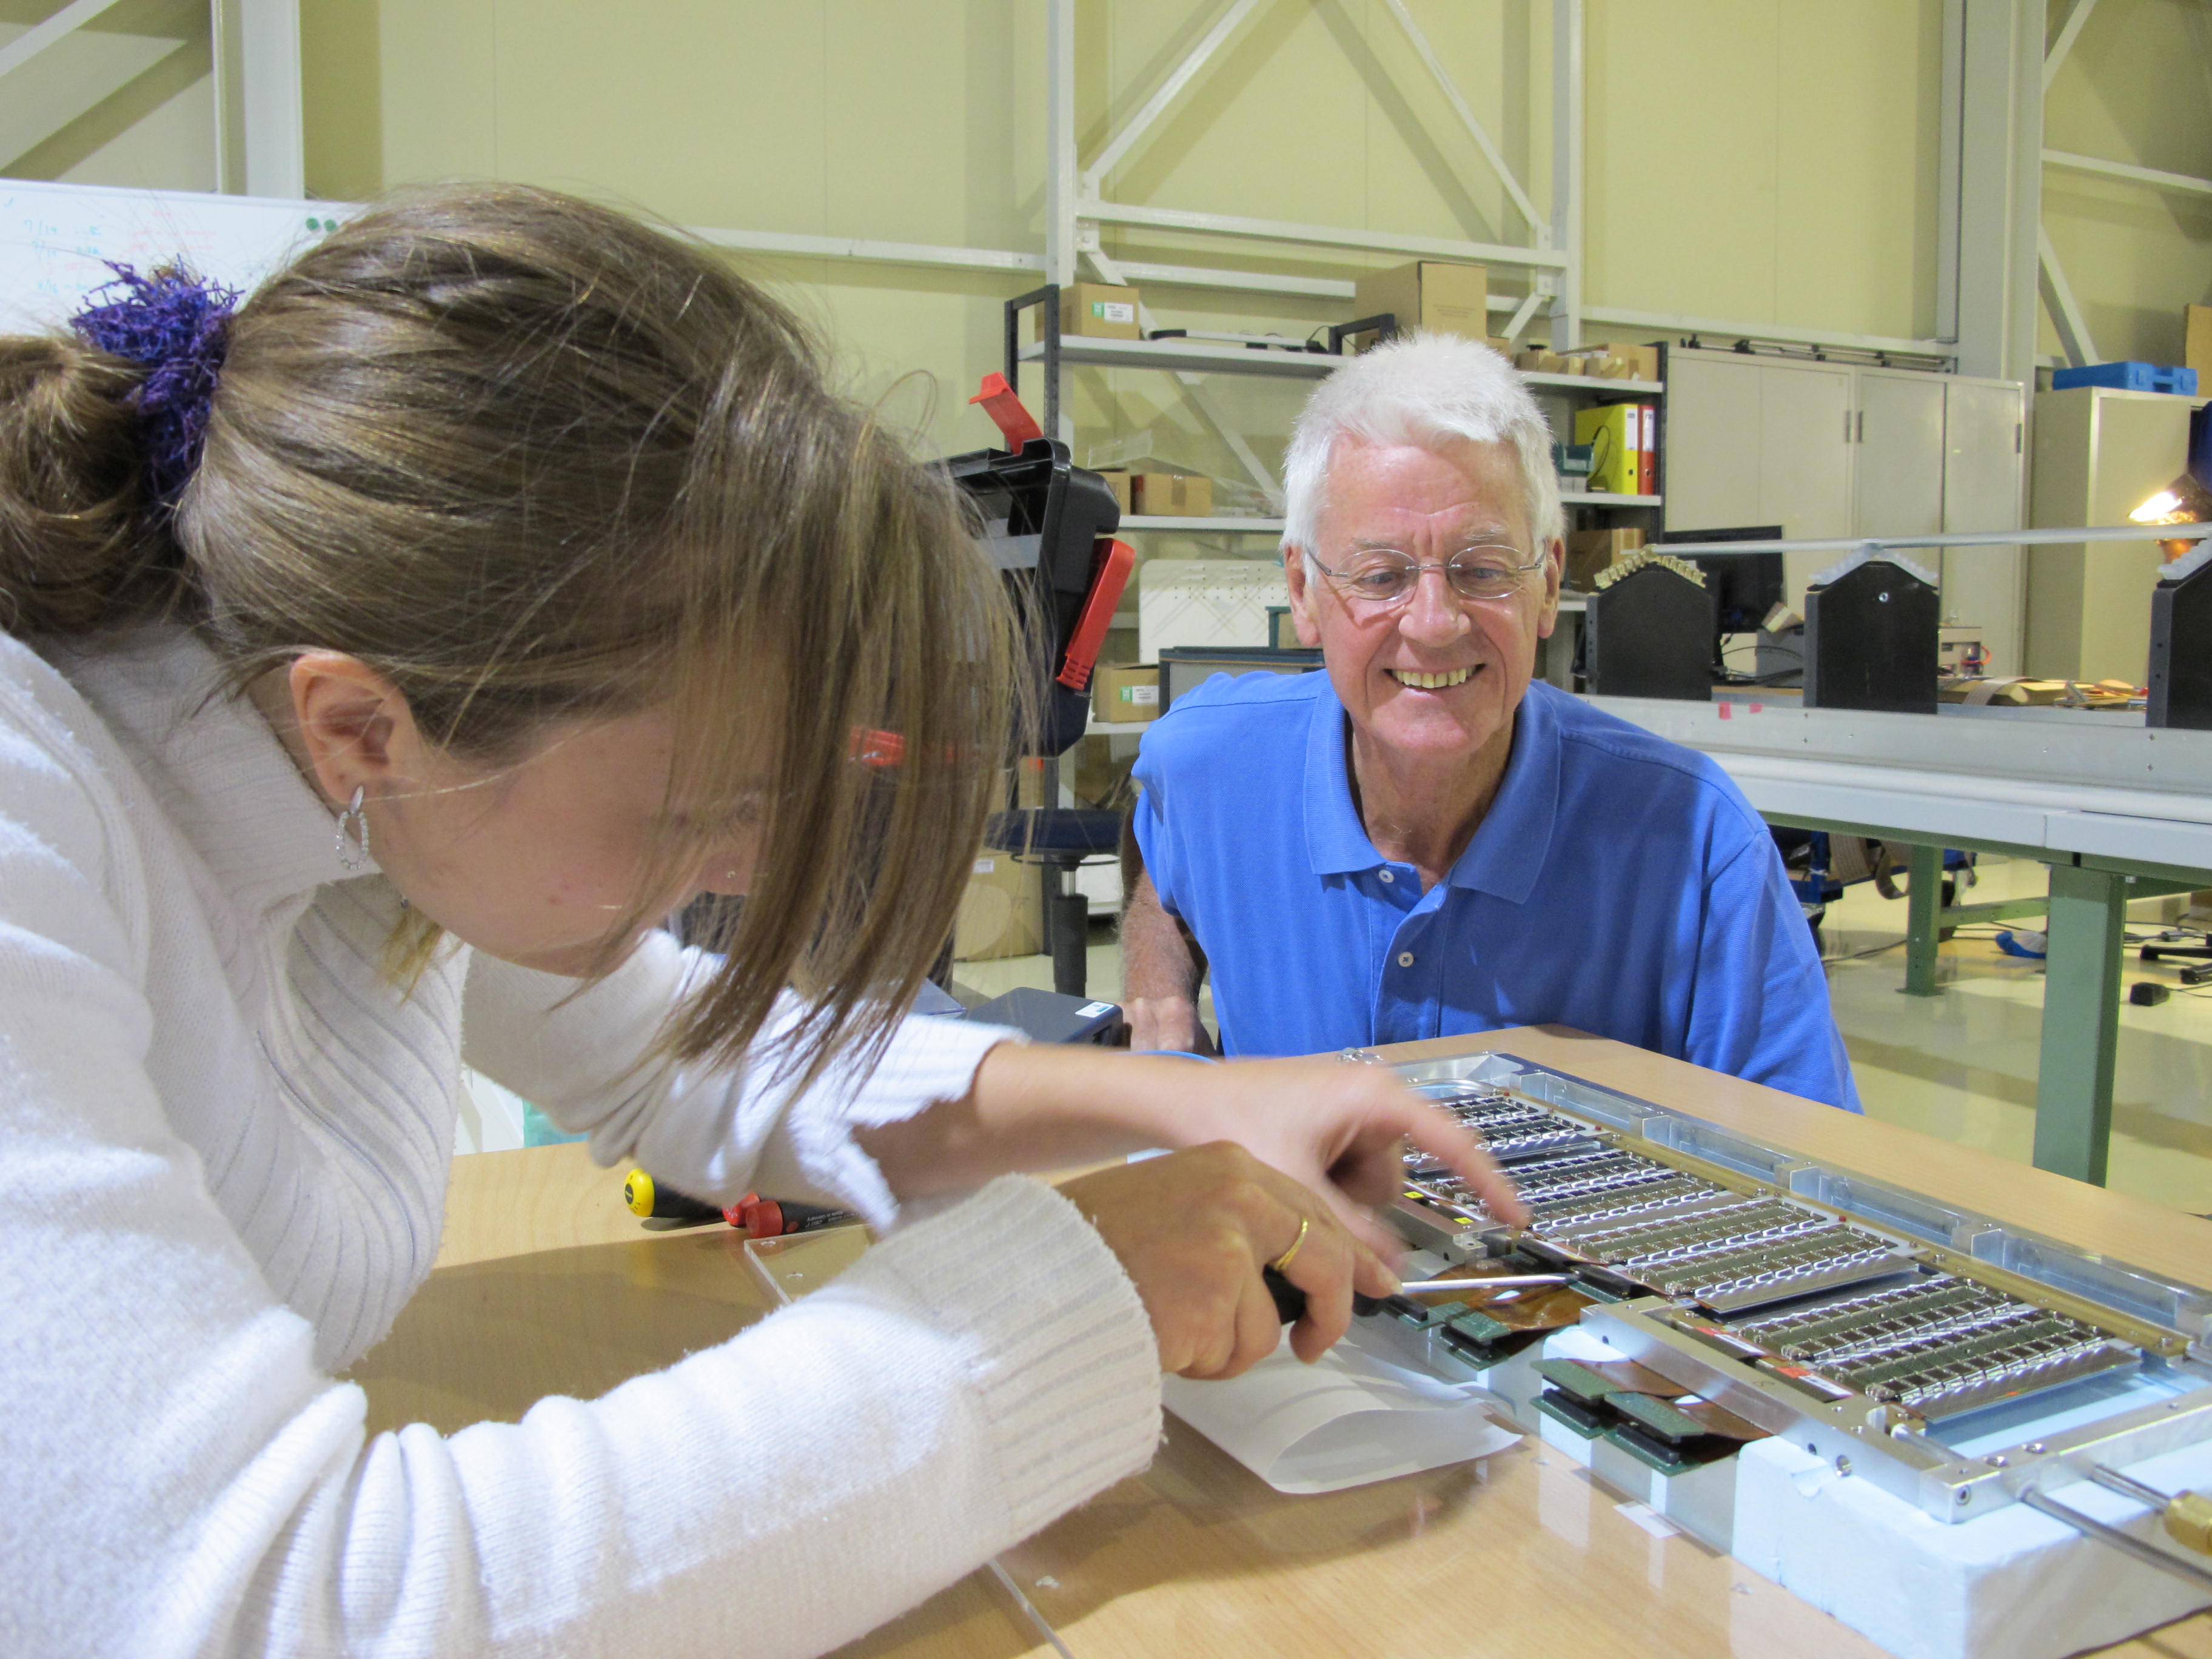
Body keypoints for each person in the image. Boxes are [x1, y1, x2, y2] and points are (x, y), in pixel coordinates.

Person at [0, 187, 1523, 1658]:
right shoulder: (36, 811)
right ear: (358, 727)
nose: (750, 860)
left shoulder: (358, 775)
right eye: (701, 809)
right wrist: (1073, 1300)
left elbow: (689, 1054)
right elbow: (276, 1607)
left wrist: (1186, 1101)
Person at [1121, 332, 1858, 1111]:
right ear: (1303, 590)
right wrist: (1158, 988)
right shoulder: (1213, 761)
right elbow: (1157, 837)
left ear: (1548, 585)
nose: (1435, 623)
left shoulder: (1697, 845)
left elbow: (1807, 1149)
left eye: (1482, 570)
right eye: (1382, 576)